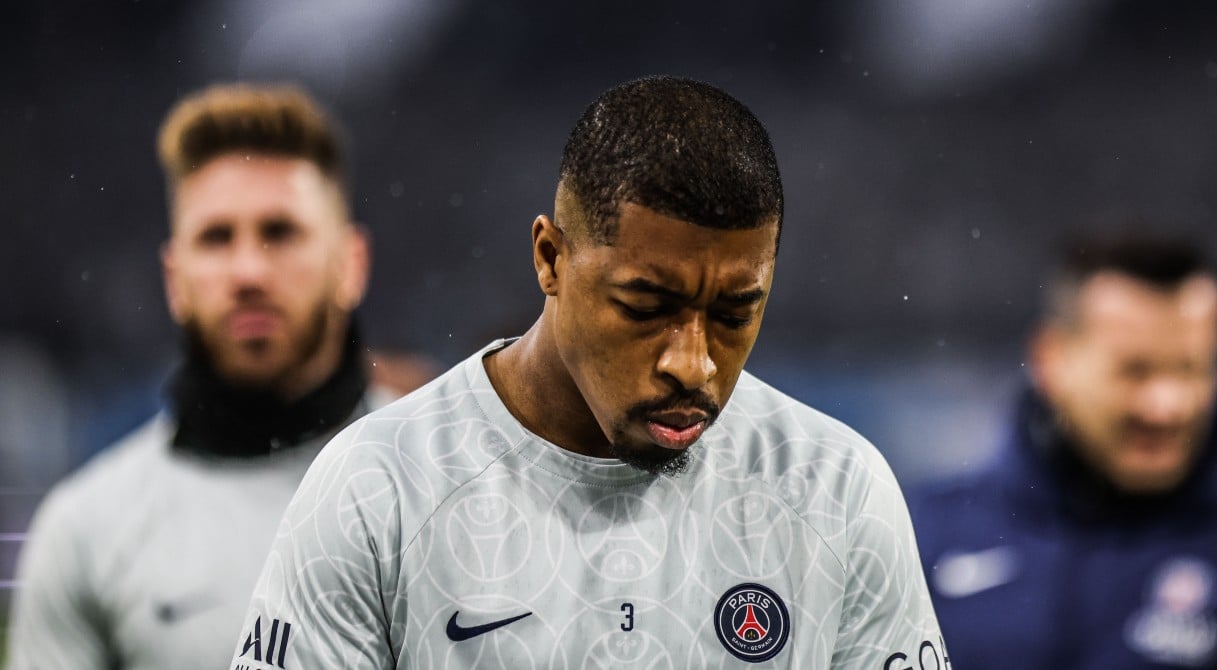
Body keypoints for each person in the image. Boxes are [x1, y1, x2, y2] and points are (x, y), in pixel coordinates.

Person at [227, 76, 945, 669]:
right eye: (646, 306)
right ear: (551, 259)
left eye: (734, 313)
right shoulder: (378, 489)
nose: (691, 363)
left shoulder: (836, 492)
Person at [7, 83, 389, 669]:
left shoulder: (458, 484)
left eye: (280, 232)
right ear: (174, 279)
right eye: (216, 238)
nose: (248, 271)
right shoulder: (86, 532)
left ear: (351, 263)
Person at [910, 232, 1217, 668]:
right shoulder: (923, 537)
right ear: (1051, 358)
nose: (1166, 405)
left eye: (1190, 369)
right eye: (1135, 371)